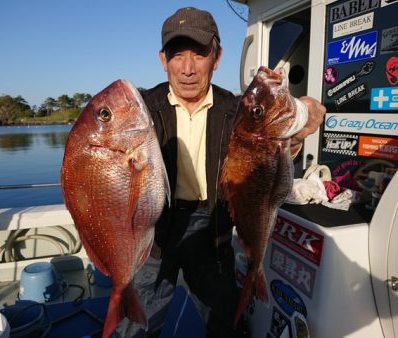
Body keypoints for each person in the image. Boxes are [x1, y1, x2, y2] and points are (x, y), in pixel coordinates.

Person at [113, 7, 326, 338]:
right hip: (155, 228)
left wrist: (297, 133)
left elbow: (265, 159)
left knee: (224, 323)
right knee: (134, 327)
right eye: (177, 55)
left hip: (213, 224)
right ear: (162, 59)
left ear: (217, 57)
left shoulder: (235, 109)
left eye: (198, 54)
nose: (186, 68)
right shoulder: (141, 109)